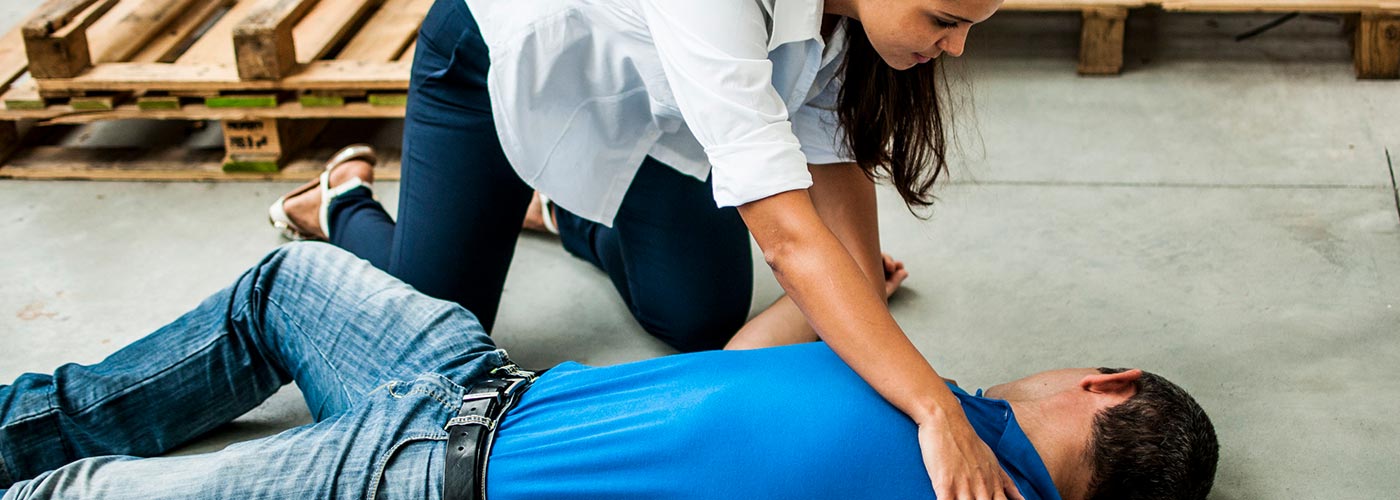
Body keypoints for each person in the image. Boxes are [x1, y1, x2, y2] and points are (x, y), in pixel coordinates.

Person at [267, 0, 1018, 495]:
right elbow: (791, 242)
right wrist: (934, 409)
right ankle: (339, 201)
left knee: (697, 311)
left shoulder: (850, 22)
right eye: (946, 19)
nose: (954, 48)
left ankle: (561, 212)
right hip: (491, 67)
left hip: (646, 112)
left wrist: (853, 298)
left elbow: (836, 210)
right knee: (430, 334)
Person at [0, 244, 1219, 500]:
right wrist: (828, 298)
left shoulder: (968, 477)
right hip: (469, 381)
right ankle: (24, 423)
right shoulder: (929, 403)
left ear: (1104, 383)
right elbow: (728, 374)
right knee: (290, 286)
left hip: (423, 476)